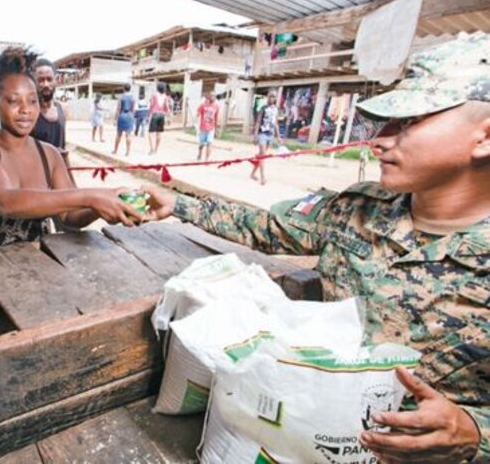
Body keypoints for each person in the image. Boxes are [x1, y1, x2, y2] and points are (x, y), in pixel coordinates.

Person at [144, 33, 490, 464]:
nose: (379, 140)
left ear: (484, 138)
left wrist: (474, 433)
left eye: (408, 122)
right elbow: (267, 225)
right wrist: (179, 204)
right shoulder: (358, 207)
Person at [0, 48, 143, 249]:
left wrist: (106, 204)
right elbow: (5, 202)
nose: (25, 109)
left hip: (39, 266)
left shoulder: (49, 154)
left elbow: (70, 217)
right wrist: (91, 196)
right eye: (13, 101)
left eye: (32, 100)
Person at [250, 90, 282, 185]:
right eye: (270, 96)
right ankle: (263, 177)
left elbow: (276, 123)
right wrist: (255, 135)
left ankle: (252, 174)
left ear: (276, 98)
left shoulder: (276, 109)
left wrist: (278, 136)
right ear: (267, 97)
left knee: (261, 156)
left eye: (274, 97)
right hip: (262, 133)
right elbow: (258, 122)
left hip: (270, 134)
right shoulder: (263, 108)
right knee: (263, 155)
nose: (272, 98)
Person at [113, 83, 136, 156]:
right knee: (128, 134)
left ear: (124, 88)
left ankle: (115, 150)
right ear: (130, 89)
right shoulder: (133, 98)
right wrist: (132, 117)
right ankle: (127, 152)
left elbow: (118, 109)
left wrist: (115, 119)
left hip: (122, 116)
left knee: (118, 134)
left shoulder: (121, 97)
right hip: (129, 116)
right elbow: (133, 109)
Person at [196, 91, 219, 161]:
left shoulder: (216, 106)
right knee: (201, 144)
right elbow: (198, 112)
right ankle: (200, 153)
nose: (212, 97)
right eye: (211, 96)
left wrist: (216, 129)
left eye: (214, 96)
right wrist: (197, 117)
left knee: (209, 142)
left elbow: (216, 117)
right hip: (203, 128)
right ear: (209, 97)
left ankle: (207, 159)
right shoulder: (203, 105)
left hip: (211, 128)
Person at [148, 82, 170, 155]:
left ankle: (151, 149)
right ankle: (156, 150)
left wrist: (149, 114)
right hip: (162, 115)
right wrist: (168, 117)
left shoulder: (154, 95)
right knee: (159, 133)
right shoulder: (165, 97)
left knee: (151, 133)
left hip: (155, 114)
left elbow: (151, 105)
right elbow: (167, 107)